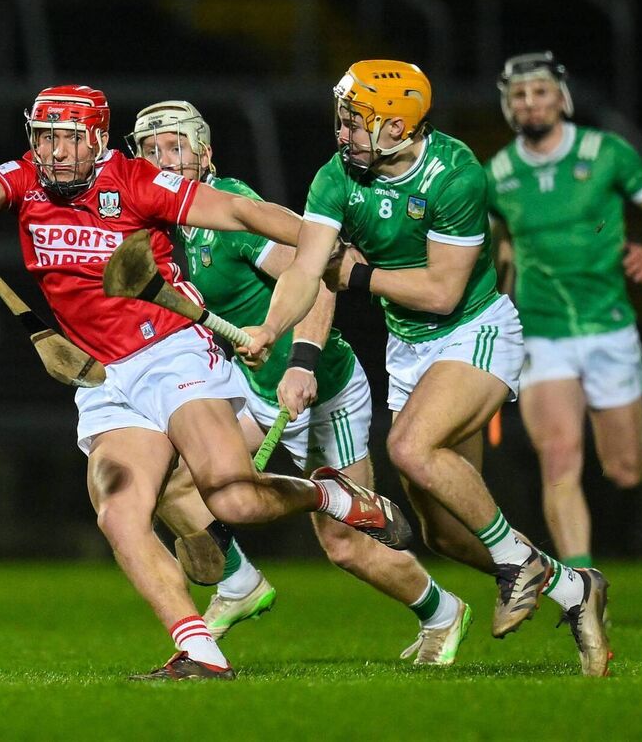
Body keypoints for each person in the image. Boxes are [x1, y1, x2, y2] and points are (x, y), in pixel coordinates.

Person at [0, 85, 413, 680]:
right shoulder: (27, 178)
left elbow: (233, 211)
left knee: (233, 497)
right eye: (46, 137)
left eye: (69, 138)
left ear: (97, 139)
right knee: (119, 513)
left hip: (172, 351)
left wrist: (312, 235)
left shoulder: (133, 181)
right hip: (103, 375)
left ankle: (334, 495)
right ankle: (200, 651)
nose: (55, 152)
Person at [246, 59, 612, 676]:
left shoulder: (456, 174)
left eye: (356, 122)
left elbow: (443, 292)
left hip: (475, 329)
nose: (343, 132)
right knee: (441, 533)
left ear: (397, 128)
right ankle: (573, 589)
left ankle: (519, 563)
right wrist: (275, 334)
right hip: (409, 348)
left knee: (411, 448)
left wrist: (359, 274)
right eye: (343, 119)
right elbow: (308, 270)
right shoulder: (335, 177)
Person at [130, 100, 472, 665]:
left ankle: (443, 611)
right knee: (169, 480)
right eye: (150, 149)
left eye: (176, 147)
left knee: (347, 545)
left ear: (205, 155)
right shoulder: (155, 221)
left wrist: (303, 364)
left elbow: (323, 273)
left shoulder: (231, 211)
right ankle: (239, 584)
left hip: (321, 386)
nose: (163, 160)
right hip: (251, 387)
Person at [486, 51, 642, 568]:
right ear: (508, 107)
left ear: (562, 98)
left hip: (608, 326)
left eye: (540, 92)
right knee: (558, 458)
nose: (530, 103)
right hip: (541, 332)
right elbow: (502, 250)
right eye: (519, 96)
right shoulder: (498, 174)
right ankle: (584, 592)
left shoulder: (607, 153)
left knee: (623, 467)